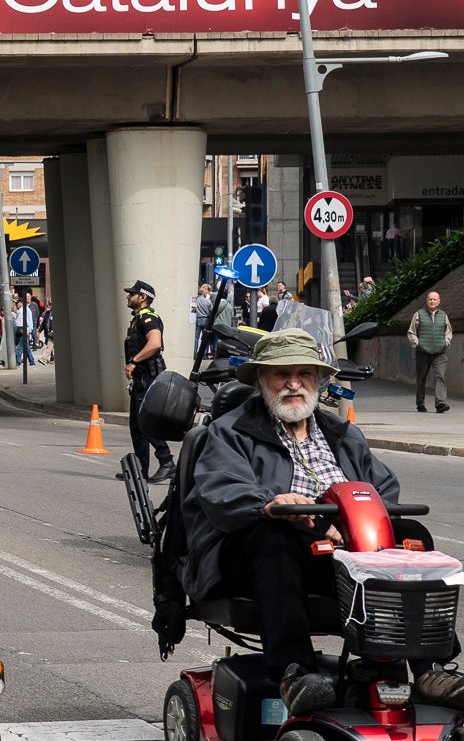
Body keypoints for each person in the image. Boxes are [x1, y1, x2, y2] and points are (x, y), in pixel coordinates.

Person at [183, 329, 463, 713]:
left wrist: (355, 525)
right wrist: (272, 502)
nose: (294, 384)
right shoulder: (229, 432)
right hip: (260, 551)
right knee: (273, 534)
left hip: (341, 551)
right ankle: (295, 672)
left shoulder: (342, 434)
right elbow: (221, 491)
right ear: (263, 379)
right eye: (282, 374)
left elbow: (381, 490)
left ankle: (429, 667)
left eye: (305, 374)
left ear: (318, 380)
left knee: (412, 535)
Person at [124, 279, 175, 484]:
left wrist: (133, 361)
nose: (128, 297)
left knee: (146, 424)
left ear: (143, 297)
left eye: (132, 294)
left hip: (148, 378)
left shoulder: (148, 318)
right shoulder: (138, 319)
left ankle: (167, 462)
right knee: (136, 426)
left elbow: (155, 343)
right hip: (141, 379)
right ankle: (140, 471)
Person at [409, 289, 451, 414]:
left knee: (440, 377)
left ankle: (440, 403)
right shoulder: (418, 314)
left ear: (439, 301)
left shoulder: (444, 315)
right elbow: (411, 332)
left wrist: (446, 342)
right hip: (423, 352)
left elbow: (448, 332)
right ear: (427, 301)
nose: (432, 301)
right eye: (430, 299)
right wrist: (417, 344)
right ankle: (420, 403)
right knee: (421, 378)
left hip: (440, 353)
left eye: (434, 299)